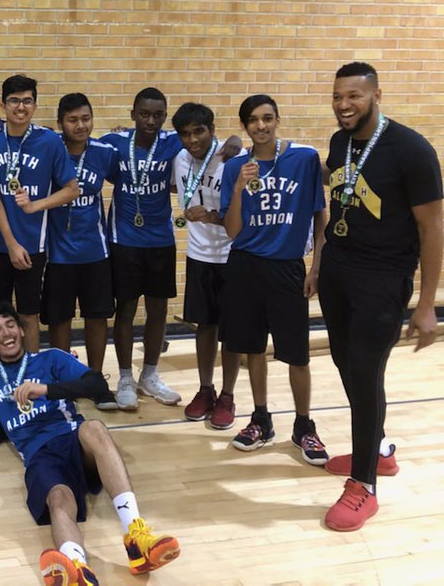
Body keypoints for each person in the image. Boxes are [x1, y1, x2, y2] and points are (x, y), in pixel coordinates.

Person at [0, 301, 180, 584]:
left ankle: (136, 537)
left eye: (10, 324)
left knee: (95, 428)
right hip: (39, 456)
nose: (6, 333)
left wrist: (47, 390)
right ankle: (77, 570)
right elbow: (4, 425)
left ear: (22, 331)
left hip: (71, 438)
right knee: (58, 500)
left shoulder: (51, 359)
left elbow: (97, 385)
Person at [318, 62, 442, 531]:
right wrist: (319, 264)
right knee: (347, 365)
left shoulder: (411, 149)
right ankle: (379, 448)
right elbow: (339, 205)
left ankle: (364, 484)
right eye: (337, 97)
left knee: (367, 372)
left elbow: (433, 229)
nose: (344, 105)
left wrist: (427, 303)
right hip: (339, 272)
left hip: (385, 280)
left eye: (354, 96)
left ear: (376, 95)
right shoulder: (339, 143)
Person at [219, 95, 329, 466]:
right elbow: (233, 231)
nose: (261, 126)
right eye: (253, 121)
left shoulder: (303, 159)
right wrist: (237, 188)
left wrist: (315, 268)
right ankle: (261, 419)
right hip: (245, 266)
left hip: (288, 268)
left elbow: (319, 215)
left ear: (277, 120)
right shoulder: (236, 166)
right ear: (245, 126)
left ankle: (303, 424)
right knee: (253, 350)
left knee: (297, 354)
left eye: (267, 118)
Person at [0, 75, 79, 353]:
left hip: (35, 244)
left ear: (34, 105)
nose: (21, 107)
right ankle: (3, 377)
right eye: (14, 101)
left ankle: (30, 377)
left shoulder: (49, 141)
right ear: (3, 104)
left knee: (28, 315)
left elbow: (72, 189)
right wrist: (11, 244)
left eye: (27, 101)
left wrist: (35, 205)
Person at [101, 88, 186, 411]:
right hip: (124, 240)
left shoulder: (173, 142)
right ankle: (124, 377)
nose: (151, 121)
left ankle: (149, 375)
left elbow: (216, 146)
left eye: (158, 115)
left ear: (165, 116)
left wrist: (232, 142)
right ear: (133, 113)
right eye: (144, 114)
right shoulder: (114, 143)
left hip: (161, 239)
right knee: (124, 310)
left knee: (158, 310)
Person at [41, 93, 120, 410]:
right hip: (57, 253)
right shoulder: (49, 148)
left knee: (97, 317)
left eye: (85, 118)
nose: (80, 125)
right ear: (61, 123)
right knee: (59, 319)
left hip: (95, 252)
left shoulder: (104, 152)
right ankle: (63, 383)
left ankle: (96, 379)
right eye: (73, 120)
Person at [170, 103, 242, 430]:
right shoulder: (180, 160)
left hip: (231, 257)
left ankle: (227, 395)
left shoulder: (230, 162)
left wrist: (210, 216)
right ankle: (205, 389)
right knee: (204, 327)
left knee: (231, 331)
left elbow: (240, 219)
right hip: (199, 255)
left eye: (199, 131)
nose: (192, 139)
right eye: (185, 134)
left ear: (211, 129)